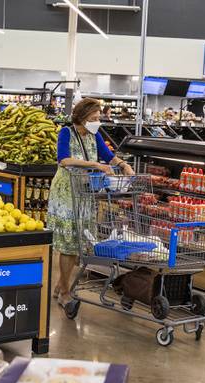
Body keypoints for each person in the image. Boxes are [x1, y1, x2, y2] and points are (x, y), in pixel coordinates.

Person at [47, 98, 135, 307]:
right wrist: (94, 164)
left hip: (85, 193)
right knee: (69, 245)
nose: (98, 122)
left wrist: (123, 166)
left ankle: (61, 284)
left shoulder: (94, 135)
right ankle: (65, 292)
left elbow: (109, 155)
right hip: (67, 193)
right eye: (94, 118)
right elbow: (64, 160)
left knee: (80, 242)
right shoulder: (67, 133)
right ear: (83, 117)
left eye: (99, 118)